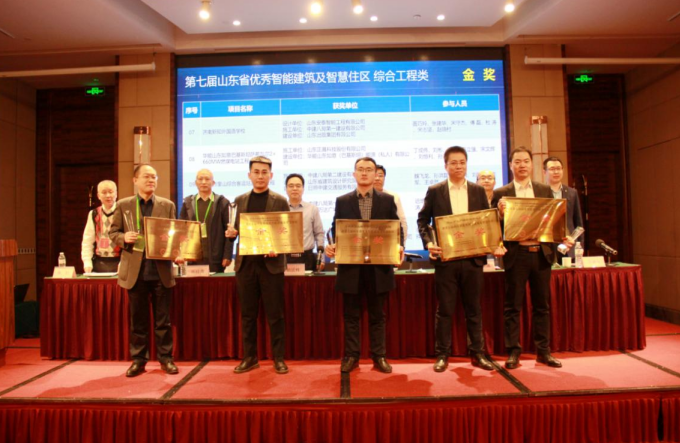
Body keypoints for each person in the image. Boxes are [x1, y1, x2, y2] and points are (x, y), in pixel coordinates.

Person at [492, 147, 573, 370]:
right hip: (516, 255)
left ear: (531, 164)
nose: (522, 165)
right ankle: (513, 352)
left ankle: (543, 351)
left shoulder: (543, 189)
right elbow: (492, 226)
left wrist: (563, 235)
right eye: (517, 161)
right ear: (510, 165)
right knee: (512, 306)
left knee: (542, 306)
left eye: (526, 161)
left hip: (541, 254)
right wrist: (500, 214)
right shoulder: (501, 193)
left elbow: (553, 219)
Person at [417, 146, 496, 372]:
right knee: (445, 310)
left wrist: (492, 243)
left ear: (466, 164)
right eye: (453, 162)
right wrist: (429, 243)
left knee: (474, 309)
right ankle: (442, 354)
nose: (458, 166)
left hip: (473, 259)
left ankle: (478, 353)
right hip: (446, 260)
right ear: (446, 166)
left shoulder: (478, 191)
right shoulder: (435, 190)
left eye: (462, 162)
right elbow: (422, 220)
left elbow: (486, 221)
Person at [325, 157, 404, 373]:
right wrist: (332, 246)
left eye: (369, 169)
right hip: (351, 267)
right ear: (354, 174)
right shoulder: (342, 201)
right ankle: (352, 356)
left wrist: (398, 245)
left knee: (378, 316)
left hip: (378, 267)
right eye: (360, 169)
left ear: (375, 174)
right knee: (351, 315)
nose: (364, 173)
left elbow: (396, 228)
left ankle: (379, 356)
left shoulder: (387, 200)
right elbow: (337, 229)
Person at [109, 164, 181, 377]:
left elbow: (174, 234)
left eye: (154, 177)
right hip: (136, 272)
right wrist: (124, 238)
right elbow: (113, 232)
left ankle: (166, 359)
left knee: (163, 321)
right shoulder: (123, 205)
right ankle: (138, 360)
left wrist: (178, 252)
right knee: (138, 321)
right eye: (146, 177)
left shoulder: (167, 205)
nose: (151, 180)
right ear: (135, 180)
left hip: (160, 270)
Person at [225, 156, 290, 374]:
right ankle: (250, 357)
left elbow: (286, 232)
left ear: (271, 175)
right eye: (256, 172)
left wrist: (277, 246)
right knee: (248, 315)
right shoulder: (239, 200)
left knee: (275, 314)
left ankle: (278, 358)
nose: (260, 176)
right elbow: (235, 231)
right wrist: (231, 233)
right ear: (249, 175)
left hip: (271, 265)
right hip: (246, 265)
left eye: (264, 172)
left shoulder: (280, 201)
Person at [179, 169, 233, 272]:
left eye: (207, 179)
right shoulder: (188, 203)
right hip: (193, 257)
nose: (203, 182)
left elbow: (230, 231)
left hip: (216, 258)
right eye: (200, 179)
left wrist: (227, 255)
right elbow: (181, 229)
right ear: (196, 182)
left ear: (213, 183)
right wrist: (180, 253)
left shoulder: (222, 202)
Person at [543, 157, 584, 259]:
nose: (556, 172)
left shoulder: (572, 193)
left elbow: (578, 222)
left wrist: (580, 246)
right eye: (552, 169)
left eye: (559, 168)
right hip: (547, 245)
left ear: (563, 170)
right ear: (544, 172)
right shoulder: (539, 193)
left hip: (569, 246)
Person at [285, 173, 325, 271]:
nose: (294, 188)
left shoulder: (312, 209)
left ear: (303, 189)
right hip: (285, 257)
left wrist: (321, 258)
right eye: (291, 186)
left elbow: (319, 234)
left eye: (298, 186)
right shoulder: (280, 209)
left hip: (307, 257)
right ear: (286, 189)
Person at [81, 180, 121, 273]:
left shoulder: (122, 212)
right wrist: (87, 262)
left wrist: (124, 262)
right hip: (99, 262)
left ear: (116, 194)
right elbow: (87, 240)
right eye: (104, 192)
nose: (108, 195)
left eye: (111, 192)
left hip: (119, 261)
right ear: (98, 196)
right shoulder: (93, 214)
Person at [374, 165, 408, 243]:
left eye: (380, 176)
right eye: (375, 175)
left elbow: (402, 221)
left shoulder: (393, 197)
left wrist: (402, 244)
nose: (377, 178)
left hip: (388, 241)